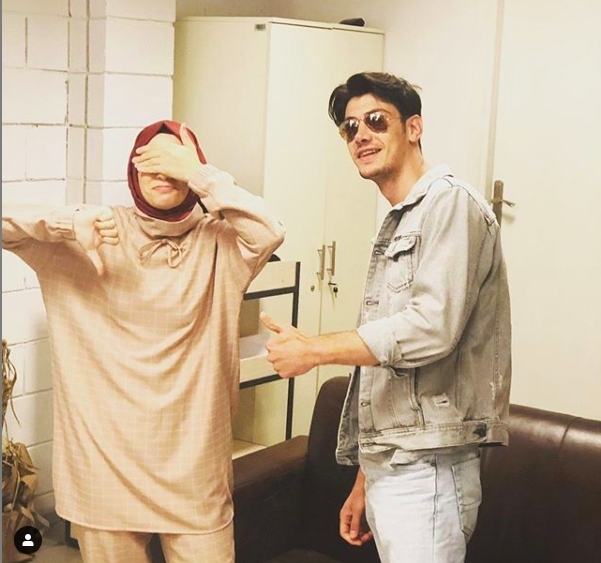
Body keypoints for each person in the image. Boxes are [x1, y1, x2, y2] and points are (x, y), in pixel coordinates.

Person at [2, 120, 285, 563]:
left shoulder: (220, 244)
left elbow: (269, 231)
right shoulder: (97, 231)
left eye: (176, 162)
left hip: (194, 474)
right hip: (104, 472)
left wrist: (200, 175)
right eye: (151, 160)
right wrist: (65, 224)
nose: (163, 172)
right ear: (133, 170)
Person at [260, 72, 511, 563]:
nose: (362, 135)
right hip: (396, 463)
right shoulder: (400, 219)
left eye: (376, 120)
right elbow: (388, 373)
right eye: (350, 128)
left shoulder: (450, 204)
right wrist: (366, 477)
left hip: (428, 468)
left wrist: (312, 350)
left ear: (413, 128)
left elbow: (429, 329)